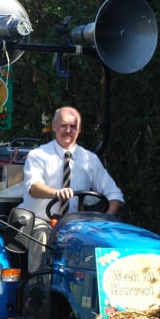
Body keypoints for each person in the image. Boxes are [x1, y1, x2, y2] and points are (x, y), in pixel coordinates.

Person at [17, 106, 124, 271]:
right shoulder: (38, 155)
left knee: (104, 240)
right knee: (42, 235)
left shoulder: (90, 159)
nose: (68, 130)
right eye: (63, 125)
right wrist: (56, 193)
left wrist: (105, 220)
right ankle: (38, 286)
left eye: (73, 126)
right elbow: (33, 186)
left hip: (76, 223)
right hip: (42, 219)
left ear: (79, 129)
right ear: (54, 127)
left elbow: (114, 194)